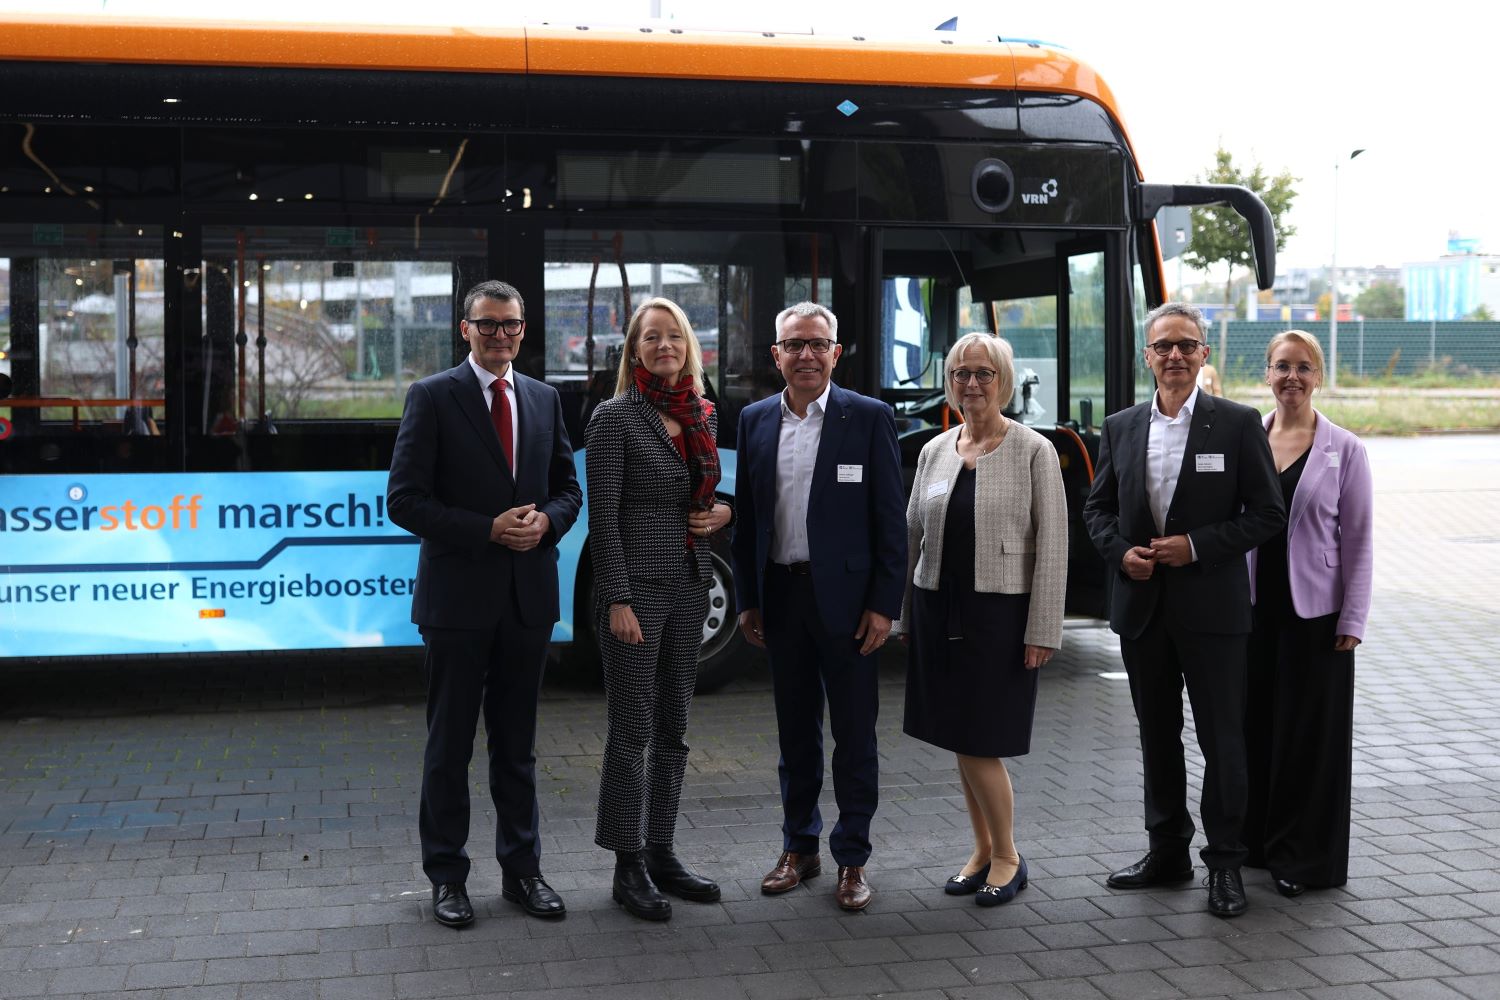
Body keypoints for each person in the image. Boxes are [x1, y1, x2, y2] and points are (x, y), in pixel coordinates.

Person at [387, 279, 583, 928]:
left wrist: (548, 523)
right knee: (449, 746)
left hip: (527, 599)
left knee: (518, 748)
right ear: (464, 329)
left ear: (525, 331)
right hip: (456, 602)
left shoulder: (544, 398)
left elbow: (566, 488)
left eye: (512, 325)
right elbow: (404, 500)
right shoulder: (432, 397)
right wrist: (486, 529)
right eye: (488, 324)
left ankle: (523, 874)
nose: (501, 335)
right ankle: (447, 878)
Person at [1082, 301, 1284, 918]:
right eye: (1163, 345)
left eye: (1186, 345)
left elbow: (1268, 514)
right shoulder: (1120, 427)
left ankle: (1225, 863)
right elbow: (1098, 510)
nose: (1175, 355)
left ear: (1203, 355)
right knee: (1157, 738)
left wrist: (1194, 546)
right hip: (1143, 610)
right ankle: (1167, 852)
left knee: (1223, 741)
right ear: (1147, 356)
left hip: (1215, 614)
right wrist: (1122, 555)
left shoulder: (1238, 423)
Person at [731, 301, 906, 912]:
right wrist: (748, 600)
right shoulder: (753, 419)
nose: (806, 354)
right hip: (781, 599)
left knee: (855, 735)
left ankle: (852, 857)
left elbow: (891, 519)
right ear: (775, 355)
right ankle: (799, 847)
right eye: (794, 344)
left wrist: (885, 605)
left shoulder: (869, 417)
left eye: (818, 343)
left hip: (852, 606)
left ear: (837, 351)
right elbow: (749, 519)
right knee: (794, 734)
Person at [893, 332, 1067, 907]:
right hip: (938, 605)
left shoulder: (1034, 451)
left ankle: (1009, 856)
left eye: (984, 374)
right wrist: (901, 615)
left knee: (979, 738)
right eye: (962, 374)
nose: (972, 384)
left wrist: (1043, 628)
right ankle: (982, 849)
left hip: (1000, 613)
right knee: (957, 736)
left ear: (1005, 382)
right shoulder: (935, 450)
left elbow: (1054, 546)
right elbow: (913, 535)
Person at [585, 297, 732, 921]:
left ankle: (663, 851)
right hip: (635, 596)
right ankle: (627, 864)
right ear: (635, 350)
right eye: (652, 337)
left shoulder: (702, 413)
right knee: (632, 732)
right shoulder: (614, 418)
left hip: (689, 588)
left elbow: (709, 499)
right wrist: (617, 597)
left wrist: (723, 513)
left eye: (674, 336)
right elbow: (604, 518)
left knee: (674, 730)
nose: (664, 345)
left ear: (688, 346)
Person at [1244, 330, 1373, 897]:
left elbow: (1361, 540)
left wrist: (1353, 619)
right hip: (1249, 610)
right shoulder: (1247, 438)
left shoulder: (1344, 449)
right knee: (1253, 729)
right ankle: (1255, 844)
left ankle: (1304, 858)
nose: (1291, 377)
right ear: (1267, 375)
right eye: (1280, 366)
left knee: (1309, 739)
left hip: (1316, 614)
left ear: (1318, 376)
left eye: (1302, 367)